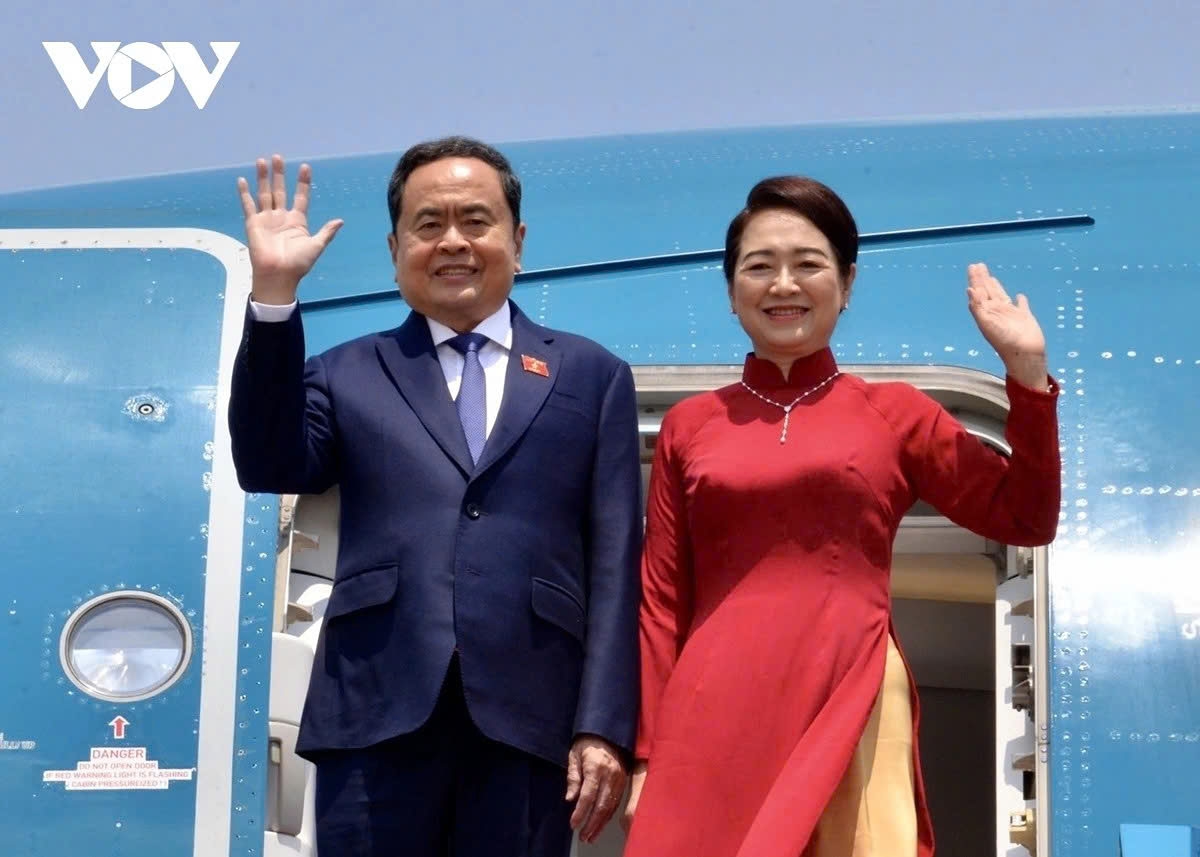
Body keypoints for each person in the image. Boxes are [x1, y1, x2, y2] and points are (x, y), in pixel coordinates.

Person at [620, 175, 1061, 857]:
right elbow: (661, 600)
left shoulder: (895, 412)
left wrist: (1027, 377)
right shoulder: (689, 424)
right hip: (713, 702)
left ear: (847, 283)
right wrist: (646, 755)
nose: (783, 285)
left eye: (809, 264)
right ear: (732, 290)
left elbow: (1026, 516)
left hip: (849, 683)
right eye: (759, 266)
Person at [227, 137, 642, 857]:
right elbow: (266, 460)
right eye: (429, 224)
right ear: (395, 248)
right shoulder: (347, 371)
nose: (453, 240)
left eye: (475, 220)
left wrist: (602, 721)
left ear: (517, 238)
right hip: (376, 712)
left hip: (529, 717)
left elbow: (615, 563)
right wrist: (272, 297)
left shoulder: (591, 375)